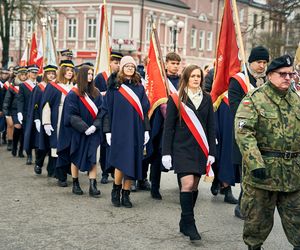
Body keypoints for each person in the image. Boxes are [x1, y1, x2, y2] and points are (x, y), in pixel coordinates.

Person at [235, 54, 300, 250]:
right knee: (256, 225)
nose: (288, 78)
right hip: (263, 176)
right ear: (270, 75)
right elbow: (244, 132)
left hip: (293, 176)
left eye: (291, 74)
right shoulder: (255, 99)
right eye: (283, 74)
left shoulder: (296, 100)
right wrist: (255, 163)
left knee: (298, 225)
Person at [162, 65, 216, 242]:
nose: (196, 79)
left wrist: (212, 152)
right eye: (192, 76)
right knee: (187, 183)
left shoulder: (207, 99)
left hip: (201, 148)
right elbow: (168, 128)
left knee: (194, 187)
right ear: (186, 78)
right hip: (181, 148)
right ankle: (191, 223)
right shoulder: (176, 99)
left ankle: (184, 221)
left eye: (198, 76)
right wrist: (166, 153)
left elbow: (211, 127)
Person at [101, 55, 150, 208]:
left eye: (132, 66)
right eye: (127, 66)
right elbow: (106, 111)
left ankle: (126, 193)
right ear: (122, 68)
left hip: (136, 130)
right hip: (118, 130)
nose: (130, 68)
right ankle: (116, 190)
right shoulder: (114, 88)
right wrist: (107, 131)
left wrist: (146, 130)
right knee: (120, 163)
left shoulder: (140, 88)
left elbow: (144, 111)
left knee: (132, 162)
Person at [228, 46, 269, 219]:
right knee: (247, 170)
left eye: (265, 62)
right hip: (245, 133)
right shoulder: (238, 81)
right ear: (251, 62)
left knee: (257, 171)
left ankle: (251, 204)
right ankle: (242, 205)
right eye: (259, 62)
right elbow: (236, 108)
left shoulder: (267, 82)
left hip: (263, 136)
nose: (262, 66)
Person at [58, 65, 102, 197]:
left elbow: (102, 112)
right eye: (88, 74)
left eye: (92, 74)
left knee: (93, 157)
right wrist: (84, 128)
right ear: (82, 75)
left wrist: (95, 126)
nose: (90, 76)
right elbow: (71, 115)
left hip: (94, 130)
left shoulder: (97, 93)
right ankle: (75, 183)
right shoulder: (73, 94)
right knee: (76, 156)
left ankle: (92, 186)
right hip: (78, 131)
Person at [40, 60, 75, 187]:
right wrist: (47, 122)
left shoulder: (74, 86)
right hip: (58, 118)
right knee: (57, 147)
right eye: (67, 71)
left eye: (71, 71)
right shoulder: (53, 86)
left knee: (70, 146)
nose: (70, 73)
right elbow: (46, 105)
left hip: (72, 120)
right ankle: (60, 175)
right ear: (62, 72)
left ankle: (67, 170)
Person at [94, 51, 123, 184]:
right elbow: (94, 93)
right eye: (115, 63)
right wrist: (103, 94)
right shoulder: (101, 77)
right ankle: (105, 171)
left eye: (119, 63)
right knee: (105, 144)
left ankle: (114, 170)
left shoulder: (122, 78)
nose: (117, 66)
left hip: (119, 113)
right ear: (110, 63)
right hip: (105, 113)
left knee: (117, 144)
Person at [24, 65, 58, 176]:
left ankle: (51, 169)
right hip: (42, 119)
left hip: (54, 118)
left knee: (53, 146)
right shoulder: (39, 87)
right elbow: (35, 105)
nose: (51, 75)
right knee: (43, 145)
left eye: (53, 73)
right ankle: (39, 163)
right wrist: (37, 120)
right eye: (49, 73)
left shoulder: (57, 86)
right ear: (45, 75)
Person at [2, 66, 27, 157]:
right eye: (22, 75)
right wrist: (7, 115)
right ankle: (14, 146)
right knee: (18, 127)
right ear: (19, 75)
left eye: (25, 75)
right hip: (15, 111)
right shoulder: (13, 86)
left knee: (24, 131)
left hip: (25, 111)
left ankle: (20, 150)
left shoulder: (28, 86)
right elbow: (7, 101)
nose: (24, 77)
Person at [17, 64, 39, 164]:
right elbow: (20, 100)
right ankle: (29, 155)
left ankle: (38, 156)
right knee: (28, 135)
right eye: (32, 72)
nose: (34, 74)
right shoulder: (23, 85)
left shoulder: (40, 85)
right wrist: (20, 112)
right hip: (27, 115)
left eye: (36, 72)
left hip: (38, 114)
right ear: (28, 73)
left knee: (38, 135)